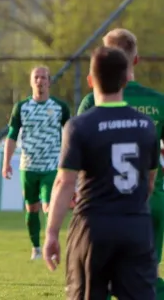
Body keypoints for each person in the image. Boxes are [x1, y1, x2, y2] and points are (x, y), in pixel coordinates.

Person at [44, 46, 159, 299]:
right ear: (126, 78)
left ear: (90, 80)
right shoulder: (146, 126)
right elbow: (149, 183)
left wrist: (51, 233)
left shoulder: (79, 126)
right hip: (136, 227)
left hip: (93, 228)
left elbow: (64, 182)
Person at [77, 28, 164, 300]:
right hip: (150, 203)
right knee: (143, 281)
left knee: (97, 283)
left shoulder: (92, 101)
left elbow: (79, 159)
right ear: (135, 61)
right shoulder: (158, 102)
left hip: (103, 206)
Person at [2, 66, 71, 260]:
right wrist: (6, 163)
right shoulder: (21, 107)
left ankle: (52, 245)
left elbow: (70, 134)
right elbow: (12, 136)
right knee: (31, 208)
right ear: (31, 82)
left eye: (43, 77)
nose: (40, 81)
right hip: (28, 167)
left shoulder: (60, 107)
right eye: (36, 77)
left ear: (49, 82)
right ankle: (36, 248)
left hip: (51, 166)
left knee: (49, 206)